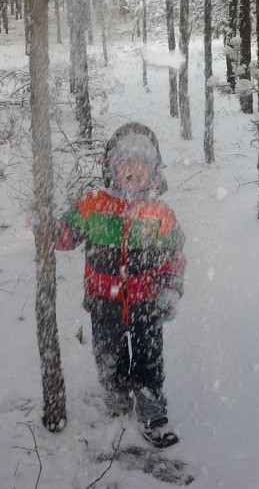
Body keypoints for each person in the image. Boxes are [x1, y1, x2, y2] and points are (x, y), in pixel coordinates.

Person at [55, 122, 186, 448]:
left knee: (149, 362)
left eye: (140, 165)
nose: (133, 171)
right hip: (104, 304)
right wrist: (46, 227)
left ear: (153, 171)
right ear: (111, 168)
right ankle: (116, 397)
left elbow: (173, 256)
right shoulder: (92, 205)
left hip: (147, 305)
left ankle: (153, 413)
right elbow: (66, 237)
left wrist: (169, 289)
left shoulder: (160, 214)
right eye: (125, 164)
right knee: (108, 358)